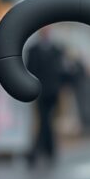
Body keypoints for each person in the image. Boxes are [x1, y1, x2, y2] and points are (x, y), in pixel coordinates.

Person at [26, 31, 65, 165]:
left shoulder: (57, 50)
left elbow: (61, 71)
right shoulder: (33, 50)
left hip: (52, 92)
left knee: (46, 119)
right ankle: (47, 149)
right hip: (39, 91)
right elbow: (29, 69)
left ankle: (39, 150)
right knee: (45, 120)